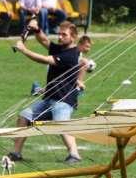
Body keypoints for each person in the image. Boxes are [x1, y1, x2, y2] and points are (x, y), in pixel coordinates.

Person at [9, 20, 82, 164]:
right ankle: (16, 153)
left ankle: (74, 155)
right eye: (59, 34)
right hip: (49, 98)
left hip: (63, 100)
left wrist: (23, 49)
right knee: (24, 117)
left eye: (64, 35)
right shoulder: (60, 48)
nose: (60, 37)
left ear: (73, 37)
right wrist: (36, 29)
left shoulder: (71, 55)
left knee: (61, 125)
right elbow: (44, 40)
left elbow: (43, 59)